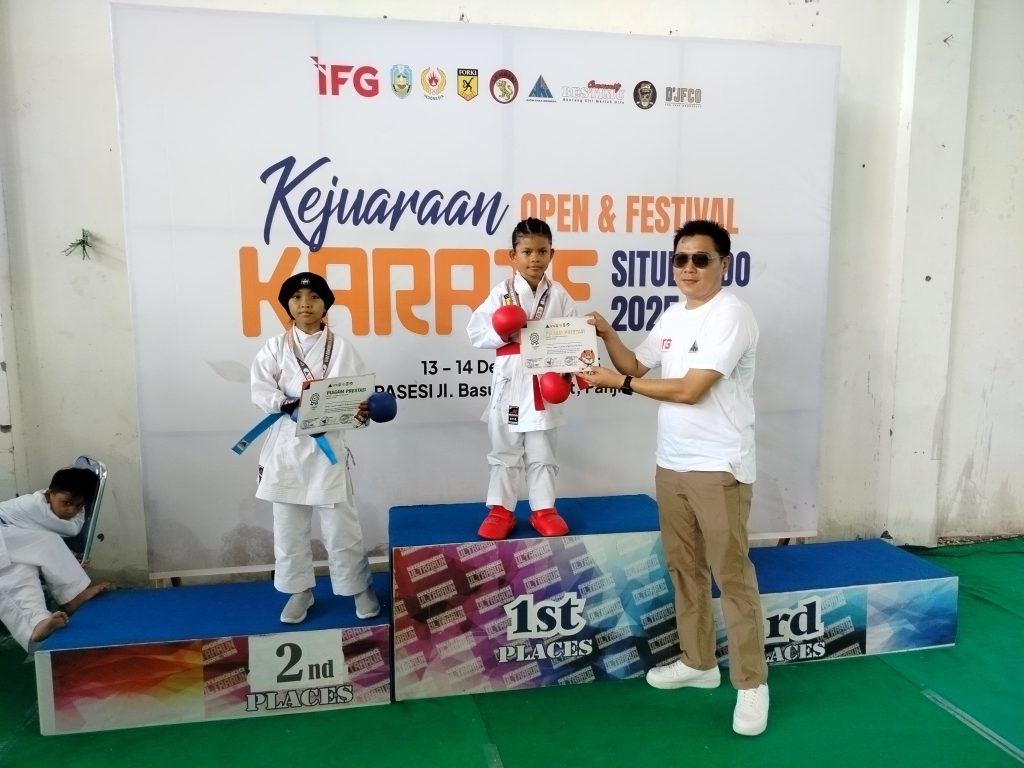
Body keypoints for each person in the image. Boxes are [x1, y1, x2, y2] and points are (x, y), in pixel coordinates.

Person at [578, 219, 769, 736]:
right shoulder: (672, 314)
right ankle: (699, 662)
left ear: (724, 263)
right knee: (684, 568)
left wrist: (618, 383)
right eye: (680, 259)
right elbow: (638, 366)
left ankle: (752, 683)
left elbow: (689, 389)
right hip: (672, 462)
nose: (688, 268)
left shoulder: (731, 315)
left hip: (719, 466)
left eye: (700, 259)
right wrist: (608, 336)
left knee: (731, 575)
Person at [251, 271, 380, 624]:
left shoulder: (342, 347)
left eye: (313, 298)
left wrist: (363, 408)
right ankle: (299, 590)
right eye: (296, 298)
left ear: (325, 305)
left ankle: (357, 586)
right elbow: (260, 390)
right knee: (288, 527)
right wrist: (286, 404)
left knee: (341, 525)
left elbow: (358, 393)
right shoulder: (274, 347)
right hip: (286, 447)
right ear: (287, 305)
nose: (304, 304)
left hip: (328, 446)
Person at [467, 217, 579, 540]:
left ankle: (544, 509)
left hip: (545, 382)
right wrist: (502, 331)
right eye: (527, 252)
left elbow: (575, 336)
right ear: (512, 256)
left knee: (543, 449)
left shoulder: (559, 294)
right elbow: (475, 332)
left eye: (542, 251)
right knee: (504, 449)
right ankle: (501, 510)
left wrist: (569, 373)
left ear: (552, 254)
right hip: (511, 381)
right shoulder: (501, 293)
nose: (535, 259)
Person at [0, 467, 112, 651]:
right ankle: (73, 597)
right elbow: (72, 529)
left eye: (79, 506)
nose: (71, 510)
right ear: (49, 492)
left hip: (8, 543)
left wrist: (71, 559)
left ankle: (36, 625)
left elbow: (33, 536)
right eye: (66, 502)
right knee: (48, 542)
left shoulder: (46, 505)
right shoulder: (36, 507)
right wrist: (72, 560)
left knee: (22, 573)